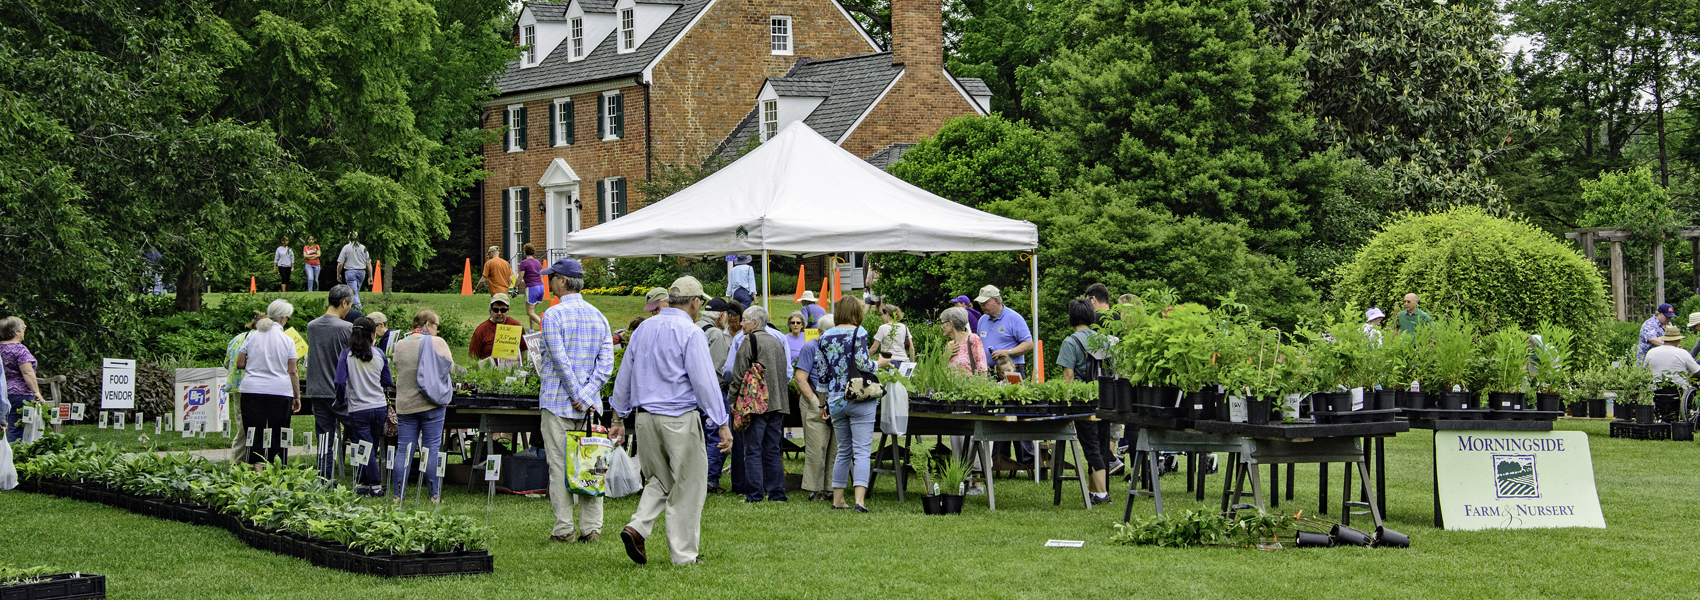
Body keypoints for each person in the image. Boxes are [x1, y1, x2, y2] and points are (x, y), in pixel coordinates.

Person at [612, 276, 731, 566]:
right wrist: (722, 422)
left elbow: (624, 375)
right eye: (700, 302)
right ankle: (684, 555)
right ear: (694, 302)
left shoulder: (642, 330)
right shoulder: (690, 332)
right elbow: (704, 382)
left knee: (660, 479)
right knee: (689, 483)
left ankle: (637, 527)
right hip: (678, 416)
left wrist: (617, 415)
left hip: (645, 419)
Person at [536, 258, 616, 543]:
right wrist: (587, 394)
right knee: (592, 465)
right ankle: (591, 528)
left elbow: (559, 361)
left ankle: (564, 529)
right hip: (591, 406)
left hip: (559, 402)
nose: (549, 282)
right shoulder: (599, 316)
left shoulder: (553, 316)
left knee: (559, 466)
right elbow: (606, 364)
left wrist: (576, 395)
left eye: (552, 277)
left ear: (563, 282)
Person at [814, 298, 880, 512]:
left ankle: (838, 500)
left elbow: (822, 375)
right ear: (857, 312)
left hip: (835, 400)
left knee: (843, 450)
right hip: (859, 397)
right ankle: (860, 501)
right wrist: (879, 364)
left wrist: (822, 404)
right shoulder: (858, 333)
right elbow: (862, 363)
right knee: (862, 451)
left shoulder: (824, 337)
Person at [391, 309, 459, 504]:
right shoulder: (437, 342)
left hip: (405, 404)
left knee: (404, 449)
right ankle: (434, 496)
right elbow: (451, 368)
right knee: (431, 448)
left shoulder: (400, 345)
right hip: (431, 404)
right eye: (437, 326)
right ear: (428, 324)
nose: (438, 331)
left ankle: (397, 495)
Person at [731, 306, 791, 503]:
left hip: (757, 404)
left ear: (755, 323)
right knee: (773, 449)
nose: (741, 324)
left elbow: (738, 374)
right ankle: (777, 494)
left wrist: (733, 399)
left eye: (745, 320)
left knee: (753, 450)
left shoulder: (750, 341)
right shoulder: (777, 341)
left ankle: (755, 495)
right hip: (778, 403)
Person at [1056, 299, 1112, 505]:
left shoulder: (1070, 342)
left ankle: (1102, 494)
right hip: (1104, 399)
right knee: (1102, 445)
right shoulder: (1103, 340)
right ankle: (1095, 489)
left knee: (1090, 446)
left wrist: (1066, 401)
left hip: (1083, 401)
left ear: (1072, 318)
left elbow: (1068, 376)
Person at [235, 300, 301, 466]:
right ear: (284, 318)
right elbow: (292, 371)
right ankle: (276, 468)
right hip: (280, 390)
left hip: (252, 389)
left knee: (253, 432)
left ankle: (255, 468)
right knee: (278, 434)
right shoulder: (288, 340)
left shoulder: (252, 336)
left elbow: (240, 363)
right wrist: (297, 395)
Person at [975, 285, 1034, 464]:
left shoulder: (1013, 318)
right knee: (996, 415)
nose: (982, 307)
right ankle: (1000, 457)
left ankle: (1026, 459)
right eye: (980, 303)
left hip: (1012, 372)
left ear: (996, 300)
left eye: (985, 303)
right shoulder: (982, 320)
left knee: (1018, 413)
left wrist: (1008, 351)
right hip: (990, 373)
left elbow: (1029, 344)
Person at [305, 285, 357, 481]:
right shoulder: (347, 328)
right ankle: (364, 477)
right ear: (343, 303)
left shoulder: (312, 326)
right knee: (359, 431)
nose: (349, 310)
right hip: (339, 391)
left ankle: (324, 478)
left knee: (324, 438)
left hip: (316, 390)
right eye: (349, 305)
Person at [336, 317, 392, 497]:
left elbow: (339, 382)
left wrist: (339, 400)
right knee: (371, 446)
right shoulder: (379, 354)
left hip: (358, 408)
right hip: (379, 406)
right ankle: (363, 482)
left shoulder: (347, 355)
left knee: (364, 446)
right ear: (373, 334)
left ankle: (374, 485)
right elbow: (387, 381)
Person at [793, 315, 837, 501]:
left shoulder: (836, 347)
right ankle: (814, 489)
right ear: (820, 332)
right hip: (814, 400)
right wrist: (814, 402)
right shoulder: (810, 347)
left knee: (835, 448)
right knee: (817, 447)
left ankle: (831, 488)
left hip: (835, 402)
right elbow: (800, 378)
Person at [698, 298, 733, 494]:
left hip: (690, 394)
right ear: (722, 315)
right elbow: (721, 368)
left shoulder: (692, 328)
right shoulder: (715, 334)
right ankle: (710, 480)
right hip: (713, 392)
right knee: (717, 437)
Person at [223, 311, 265, 463]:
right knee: (247, 429)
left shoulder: (237, 339)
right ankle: (240, 464)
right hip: (252, 387)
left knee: (242, 425)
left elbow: (227, 363)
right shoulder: (260, 339)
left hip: (236, 387)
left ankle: (238, 461)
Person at [1643, 325, 1699, 422]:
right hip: (1679, 391)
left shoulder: (1651, 353)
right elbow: (1698, 372)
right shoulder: (1683, 353)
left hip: (1657, 391)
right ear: (1677, 340)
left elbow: (1644, 371)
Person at [1, 317, 42, 443]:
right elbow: (27, 372)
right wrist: (36, 392)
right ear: (16, 332)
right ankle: (15, 458)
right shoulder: (20, 349)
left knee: (4, 428)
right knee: (17, 429)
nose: (24, 331)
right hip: (19, 394)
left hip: (2, 392)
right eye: (23, 328)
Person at [469, 293, 529, 363]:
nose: (499, 313)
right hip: (489, 371)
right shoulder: (481, 330)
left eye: (503, 310)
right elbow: (473, 358)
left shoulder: (517, 326)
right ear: (490, 310)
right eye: (495, 310)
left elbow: (523, 349)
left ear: (508, 310)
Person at [939, 307, 987, 374]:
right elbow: (942, 370)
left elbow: (982, 369)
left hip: (971, 384)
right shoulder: (950, 345)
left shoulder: (972, 339)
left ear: (950, 323)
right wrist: (944, 357)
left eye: (942, 323)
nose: (942, 327)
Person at [337, 232, 371, 309]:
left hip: (350, 271)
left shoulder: (346, 247)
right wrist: (370, 276)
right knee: (356, 292)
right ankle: (352, 310)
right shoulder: (363, 248)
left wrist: (338, 274)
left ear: (348, 238)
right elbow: (368, 263)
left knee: (353, 293)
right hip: (361, 271)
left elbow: (340, 264)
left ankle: (359, 310)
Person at [518, 243, 545, 332]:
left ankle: (545, 327)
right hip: (541, 286)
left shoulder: (524, 263)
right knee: (532, 309)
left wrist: (514, 287)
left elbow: (520, 277)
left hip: (532, 287)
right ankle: (531, 329)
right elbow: (540, 275)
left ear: (525, 252)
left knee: (529, 312)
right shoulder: (537, 262)